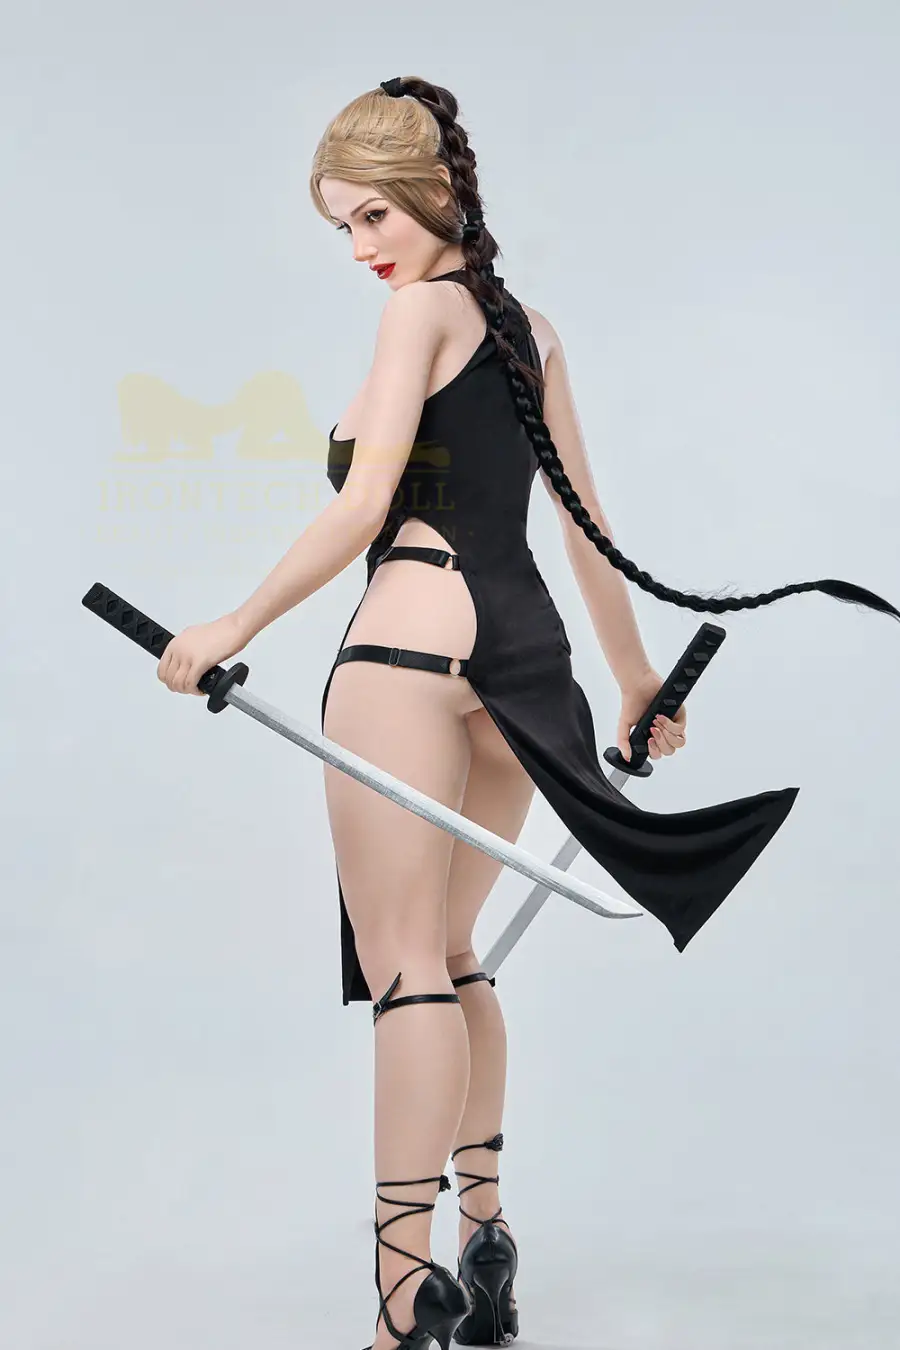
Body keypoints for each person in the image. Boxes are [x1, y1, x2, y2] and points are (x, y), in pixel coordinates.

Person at [156, 75, 898, 1350]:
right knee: (455, 958)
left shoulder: (418, 315)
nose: (360, 247)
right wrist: (632, 679)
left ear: (435, 191)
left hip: (408, 641)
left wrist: (235, 623)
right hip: (523, 658)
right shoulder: (530, 330)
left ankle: (404, 1289)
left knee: (405, 969)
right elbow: (584, 526)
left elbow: (363, 507)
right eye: (340, 227)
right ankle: (488, 1242)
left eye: (373, 215)